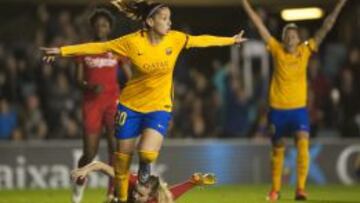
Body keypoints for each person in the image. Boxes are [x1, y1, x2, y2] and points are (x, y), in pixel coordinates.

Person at [41, 0, 247, 202]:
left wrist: (231, 40)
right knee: (121, 163)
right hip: (130, 107)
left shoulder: (175, 39)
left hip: (159, 106)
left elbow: (201, 40)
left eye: (170, 18)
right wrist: (61, 51)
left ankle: (145, 170)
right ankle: (121, 199)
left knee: (147, 154)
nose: (169, 22)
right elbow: (99, 46)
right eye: (164, 18)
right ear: (149, 22)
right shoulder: (132, 42)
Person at [241, 0, 347, 201]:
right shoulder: (275, 48)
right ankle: (275, 190)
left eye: (293, 36)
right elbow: (258, 24)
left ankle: (300, 189)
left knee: (302, 143)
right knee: (277, 149)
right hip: (278, 109)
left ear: (299, 39)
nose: (290, 39)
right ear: (283, 39)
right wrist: (245, 4)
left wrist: (340, 6)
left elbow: (326, 27)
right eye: (287, 36)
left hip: (298, 109)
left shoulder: (305, 51)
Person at [67, 8, 131, 203]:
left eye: (105, 24)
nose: (101, 27)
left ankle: (112, 194)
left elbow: (129, 77)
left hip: (113, 103)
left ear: (109, 28)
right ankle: (78, 186)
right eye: (98, 24)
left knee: (115, 150)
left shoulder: (116, 49)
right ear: (93, 27)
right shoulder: (84, 49)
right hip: (91, 104)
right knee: (89, 153)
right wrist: (89, 86)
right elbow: (77, 79)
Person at [71, 161, 216, 203]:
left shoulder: (158, 201)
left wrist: (194, 182)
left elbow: (178, 190)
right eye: (136, 190)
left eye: (140, 194)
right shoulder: (133, 181)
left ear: (150, 197)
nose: (135, 195)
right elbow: (101, 166)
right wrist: (85, 170)